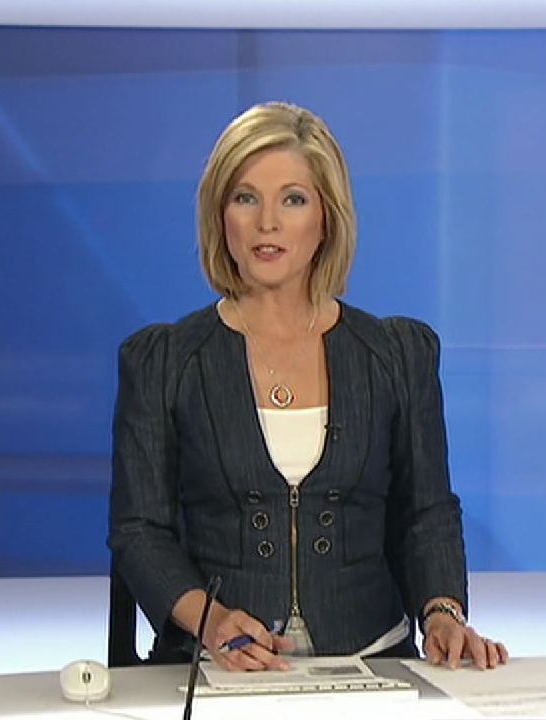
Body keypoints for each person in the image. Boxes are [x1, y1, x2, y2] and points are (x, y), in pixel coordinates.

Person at [108, 101, 508, 672]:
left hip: (374, 660)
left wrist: (442, 614)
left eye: (292, 199)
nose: (267, 223)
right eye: (245, 197)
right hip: (218, 668)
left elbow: (427, 513)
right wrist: (212, 621)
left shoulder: (395, 356)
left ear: (326, 216)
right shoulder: (166, 362)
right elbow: (140, 531)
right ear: (220, 215)